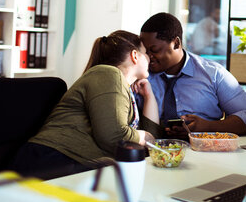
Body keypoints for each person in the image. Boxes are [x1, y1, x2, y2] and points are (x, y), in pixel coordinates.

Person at [12, 30, 162, 180]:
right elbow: (115, 137)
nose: (150, 58)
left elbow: (151, 144)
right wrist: (144, 136)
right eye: (146, 53)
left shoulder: (123, 88)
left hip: (70, 162)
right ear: (135, 56)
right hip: (52, 159)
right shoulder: (109, 74)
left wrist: (149, 96)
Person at [139, 12, 246, 136]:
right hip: (154, 151)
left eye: (154, 50)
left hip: (205, 150)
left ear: (176, 43)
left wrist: (208, 127)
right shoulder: (139, 76)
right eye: (144, 51)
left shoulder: (213, 74)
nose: (148, 57)